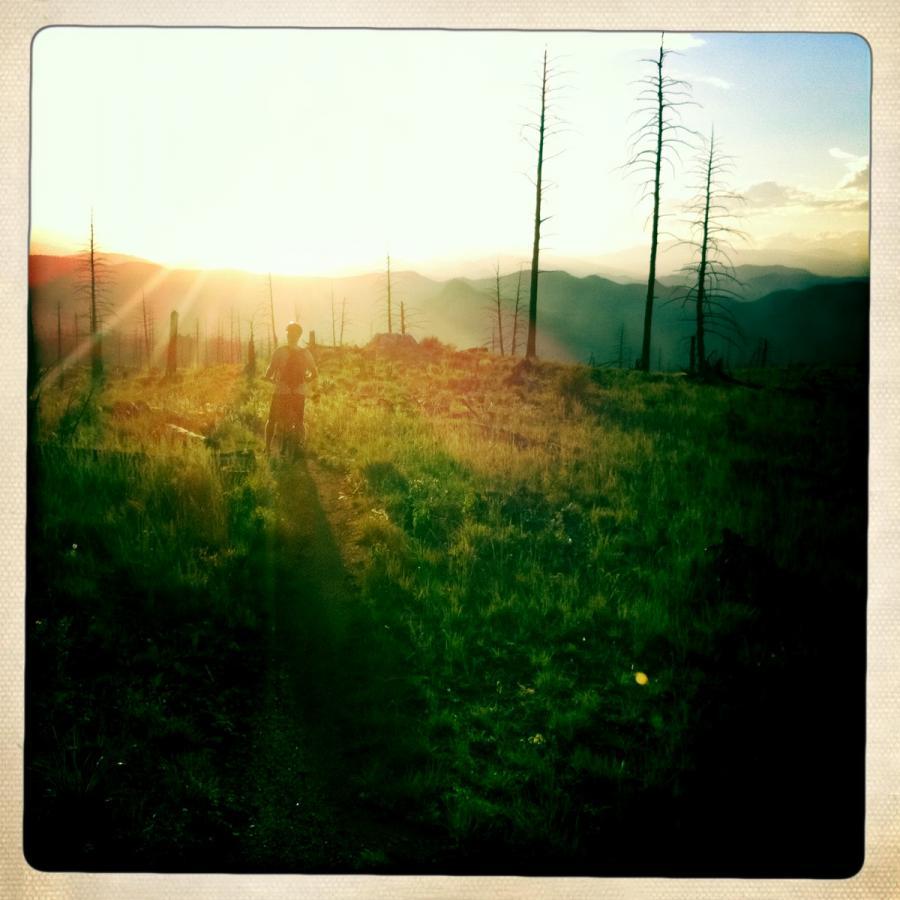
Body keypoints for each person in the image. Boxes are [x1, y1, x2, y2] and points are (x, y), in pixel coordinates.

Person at [264, 321, 318, 456]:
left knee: (272, 420)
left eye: (289, 333)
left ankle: (267, 448)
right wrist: (305, 381)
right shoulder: (306, 353)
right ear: (299, 336)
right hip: (299, 392)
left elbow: (269, 371)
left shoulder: (279, 351)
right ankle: (301, 446)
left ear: (289, 335)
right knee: (299, 421)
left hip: (281, 391)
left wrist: (268, 378)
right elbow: (314, 373)